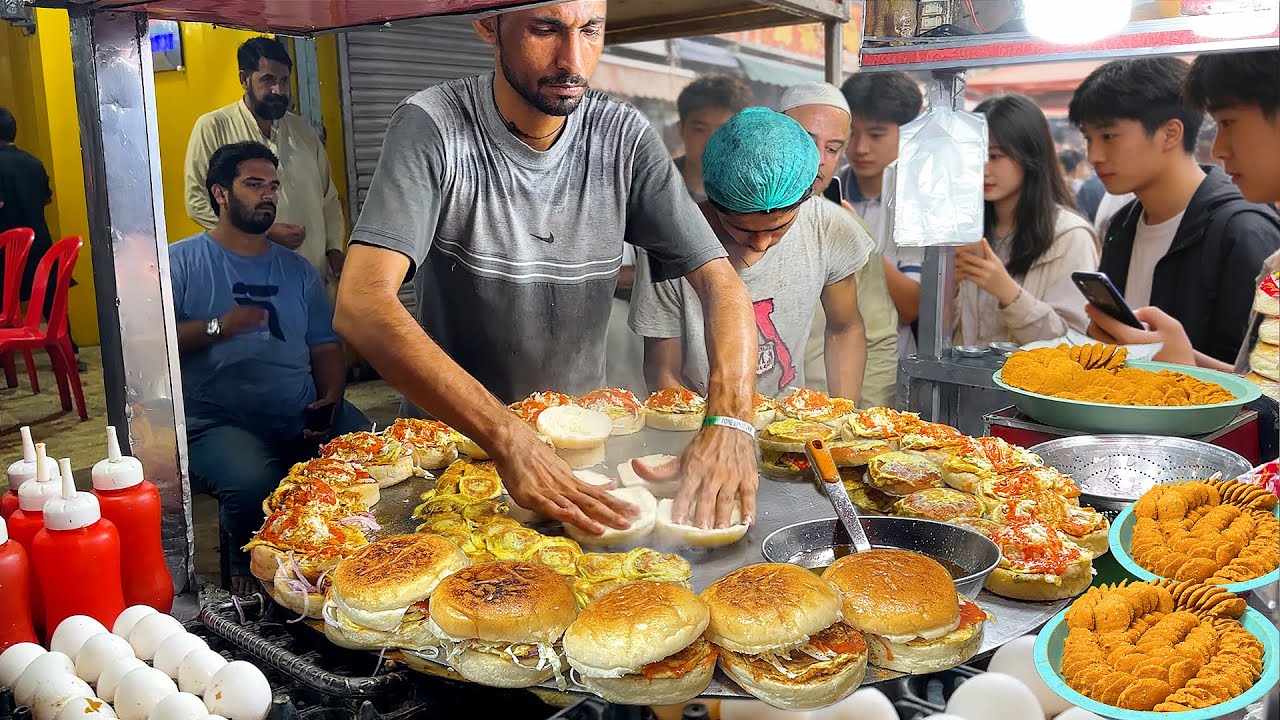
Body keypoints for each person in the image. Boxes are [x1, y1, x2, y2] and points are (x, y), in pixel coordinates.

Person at [334, 2, 757, 533]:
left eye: (591, 30)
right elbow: (362, 303)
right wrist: (510, 436)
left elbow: (721, 283)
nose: (572, 59)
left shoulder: (622, 137)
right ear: (489, 25)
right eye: (546, 29)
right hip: (453, 455)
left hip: (586, 451)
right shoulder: (433, 127)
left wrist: (731, 417)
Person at [171, 141, 369, 595]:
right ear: (220, 193)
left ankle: (343, 566)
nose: (267, 195)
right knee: (253, 481)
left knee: (366, 450)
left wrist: (331, 399)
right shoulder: (179, 263)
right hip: (217, 421)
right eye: (254, 184)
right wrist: (221, 325)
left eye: (272, 186)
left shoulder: (297, 271)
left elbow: (324, 347)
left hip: (298, 410)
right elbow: (149, 346)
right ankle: (248, 574)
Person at [631, 108, 871, 401]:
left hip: (789, 419)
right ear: (715, 204)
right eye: (742, 229)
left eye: (779, 227)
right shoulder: (672, 246)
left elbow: (844, 327)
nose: (760, 244)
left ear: (802, 202)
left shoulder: (826, 228)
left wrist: (842, 414)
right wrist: (712, 430)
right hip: (701, 418)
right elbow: (662, 370)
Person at [1069, 56, 1280, 364]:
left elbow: (1259, 394)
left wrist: (1181, 366)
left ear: (1170, 133)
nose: (1094, 155)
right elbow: (1252, 378)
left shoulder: (1243, 230)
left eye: (1109, 136)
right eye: (1088, 139)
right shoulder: (1121, 226)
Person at [184, 37, 347, 290]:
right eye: (268, 80)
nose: (279, 91)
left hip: (312, 279)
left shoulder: (303, 132)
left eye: (284, 81)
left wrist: (334, 250)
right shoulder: (213, 127)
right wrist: (264, 233)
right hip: (250, 282)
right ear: (244, 79)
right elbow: (197, 201)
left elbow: (329, 198)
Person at [778, 81, 899, 409]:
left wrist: (858, 421)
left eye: (832, 149)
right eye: (806, 140)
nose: (818, 159)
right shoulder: (727, 220)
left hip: (822, 418)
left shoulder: (846, 231)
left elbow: (877, 336)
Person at [954, 94, 1099, 346]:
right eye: (974, 155)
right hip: (964, 384)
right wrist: (948, 291)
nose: (983, 168)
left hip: (1027, 384)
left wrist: (1008, 293)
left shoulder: (1070, 236)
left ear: (1030, 155)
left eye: (995, 156)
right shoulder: (964, 231)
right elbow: (944, 336)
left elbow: (1073, 344)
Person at [837, 71, 925, 374]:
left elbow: (912, 305)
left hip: (890, 367)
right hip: (824, 363)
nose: (860, 148)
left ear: (909, 132)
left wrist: (860, 242)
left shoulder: (917, 202)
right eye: (852, 133)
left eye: (876, 135)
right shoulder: (827, 191)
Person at [673, 74, 755, 204]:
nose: (711, 142)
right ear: (681, 129)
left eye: (723, 131)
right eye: (700, 129)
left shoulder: (752, 196)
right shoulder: (654, 184)